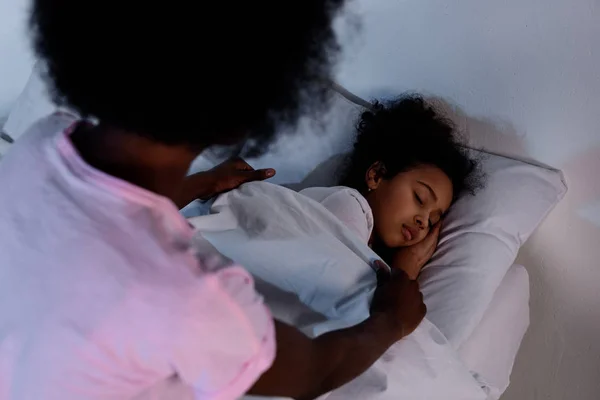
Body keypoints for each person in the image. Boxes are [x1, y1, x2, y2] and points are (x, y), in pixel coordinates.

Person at [0, 2, 427, 400]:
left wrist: (202, 183)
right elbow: (312, 371)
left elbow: (106, 206)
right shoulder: (188, 295)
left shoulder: (41, 141)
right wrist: (391, 320)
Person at [302, 95, 482, 280]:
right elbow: (336, 300)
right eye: (420, 198)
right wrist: (404, 273)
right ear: (376, 175)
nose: (423, 222)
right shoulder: (348, 205)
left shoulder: (369, 251)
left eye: (432, 221)